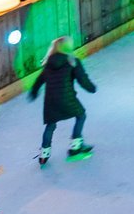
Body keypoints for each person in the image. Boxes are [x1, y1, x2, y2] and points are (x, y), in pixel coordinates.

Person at [29, 36, 96, 166]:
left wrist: (34, 92)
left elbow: (39, 80)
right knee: (81, 115)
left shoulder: (48, 64)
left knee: (51, 125)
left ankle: (44, 154)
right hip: (67, 98)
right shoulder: (72, 61)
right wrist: (91, 88)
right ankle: (75, 147)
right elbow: (82, 79)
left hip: (50, 101)